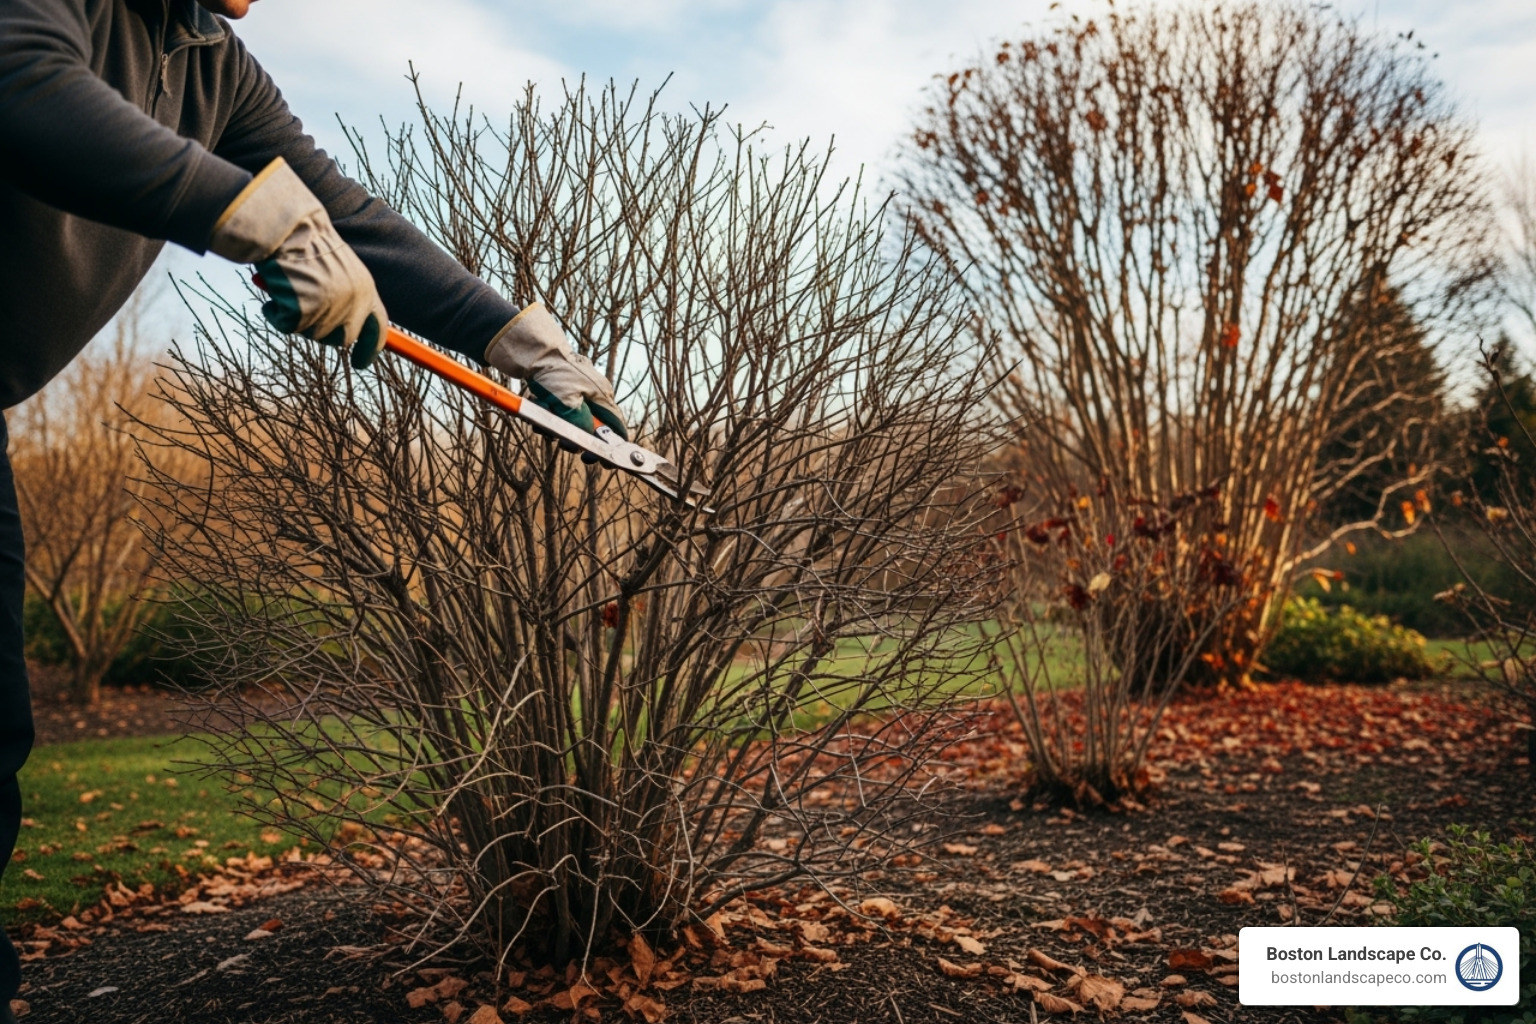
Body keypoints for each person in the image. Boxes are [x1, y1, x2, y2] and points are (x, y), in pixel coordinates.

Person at [0, 0, 629, 1016]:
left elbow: (344, 216)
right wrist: (257, 221)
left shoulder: (215, 65)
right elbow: (23, 84)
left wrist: (515, 338)